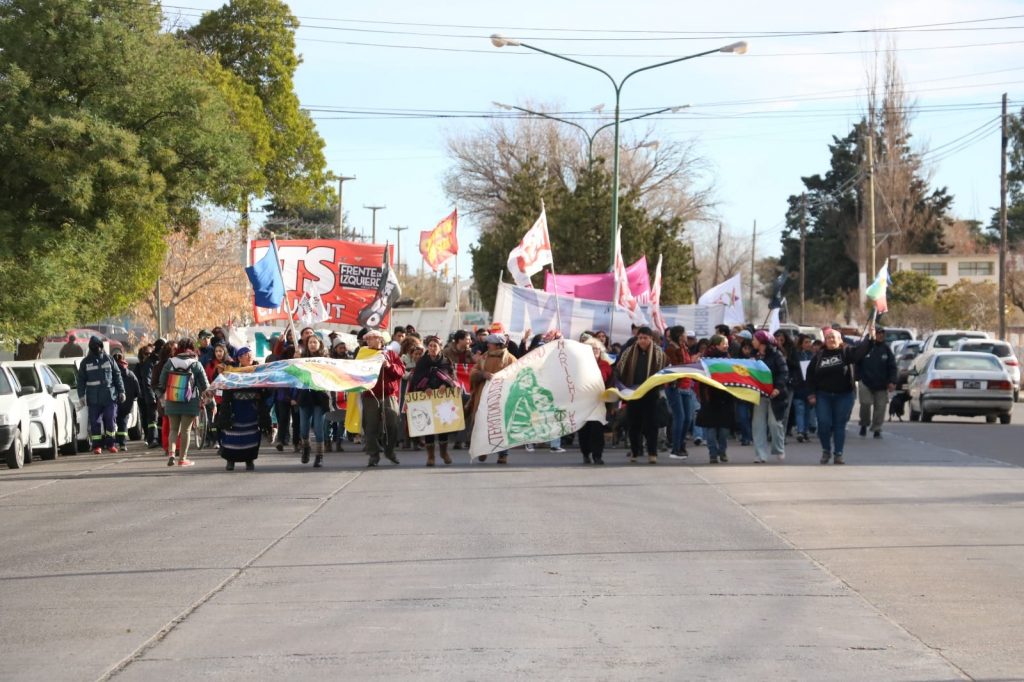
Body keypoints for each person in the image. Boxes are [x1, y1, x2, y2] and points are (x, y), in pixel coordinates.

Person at [807, 328, 872, 465]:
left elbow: (861, 352)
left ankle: (838, 454)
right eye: (829, 337)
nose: (831, 339)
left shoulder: (846, 353)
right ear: (825, 341)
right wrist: (811, 394)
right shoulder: (819, 356)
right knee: (824, 424)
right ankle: (826, 450)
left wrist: (869, 338)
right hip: (823, 395)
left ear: (840, 340)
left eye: (834, 337)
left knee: (839, 425)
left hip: (844, 395)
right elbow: (810, 376)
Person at [614, 326, 667, 464]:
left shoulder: (659, 353)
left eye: (645, 338)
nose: (642, 341)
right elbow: (619, 368)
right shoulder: (628, 352)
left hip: (651, 393)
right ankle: (635, 452)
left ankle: (652, 453)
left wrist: (659, 388)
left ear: (651, 339)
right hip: (633, 393)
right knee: (634, 424)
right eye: (640, 338)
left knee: (652, 424)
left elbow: (665, 371)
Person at [157, 338, 209, 467]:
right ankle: (182, 459)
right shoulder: (196, 364)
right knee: (185, 430)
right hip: (190, 401)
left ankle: (171, 454)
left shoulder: (170, 362)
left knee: (173, 429)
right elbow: (205, 386)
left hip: (172, 400)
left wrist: (161, 398)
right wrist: (210, 401)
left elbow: (161, 383)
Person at [468, 333, 516, 464]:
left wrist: (501, 379)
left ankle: (503, 454)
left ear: (498, 345)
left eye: (491, 343)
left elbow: (517, 377)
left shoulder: (510, 359)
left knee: (501, 426)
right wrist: (483, 374)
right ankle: (483, 450)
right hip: (483, 398)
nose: (488, 345)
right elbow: (473, 373)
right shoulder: (483, 358)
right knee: (482, 423)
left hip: (501, 399)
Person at [409, 335, 457, 466]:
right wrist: (426, 387)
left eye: (435, 346)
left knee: (443, 426)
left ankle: (444, 452)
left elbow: (452, 377)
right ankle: (430, 456)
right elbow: (416, 379)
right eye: (430, 346)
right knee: (428, 427)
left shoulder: (446, 361)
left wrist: (445, 385)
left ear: (440, 347)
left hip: (442, 399)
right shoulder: (422, 362)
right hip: (427, 397)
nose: (432, 348)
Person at [361, 329, 405, 467]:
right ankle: (373, 454)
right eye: (367, 339)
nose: (368, 341)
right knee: (370, 426)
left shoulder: (390, 354)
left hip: (389, 394)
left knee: (392, 423)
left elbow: (401, 371)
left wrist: (389, 365)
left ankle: (389, 451)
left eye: (371, 338)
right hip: (370, 395)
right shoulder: (363, 354)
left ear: (380, 340)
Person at [77, 336, 125, 454]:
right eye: (94, 347)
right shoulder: (85, 362)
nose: (96, 349)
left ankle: (111, 444)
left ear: (101, 347)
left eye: (98, 347)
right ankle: (97, 446)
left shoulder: (108, 359)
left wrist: (122, 391)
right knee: (95, 422)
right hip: (94, 398)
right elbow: (81, 380)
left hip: (109, 396)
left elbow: (117, 375)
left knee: (110, 419)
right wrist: (81, 396)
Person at [695, 335, 736, 464]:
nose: (727, 346)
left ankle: (722, 451)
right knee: (710, 429)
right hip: (709, 398)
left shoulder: (728, 359)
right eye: (724, 343)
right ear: (716, 345)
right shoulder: (704, 360)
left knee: (724, 430)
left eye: (727, 343)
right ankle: (713, 453)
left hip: (725, 398)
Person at [750, 330, 789, 464]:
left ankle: (778, 448)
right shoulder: (754, 356)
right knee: (758, 424)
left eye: (754, 339)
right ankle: (760, 454)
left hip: (775, 395)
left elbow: (784, 373)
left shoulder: (777, 355)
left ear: (762, 341)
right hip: (759, 395)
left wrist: (777, 388)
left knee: (774, 423)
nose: (752, 342)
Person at [856, 326, 897, 439]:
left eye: (882, 334)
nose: (880, 335)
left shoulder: (886, 350)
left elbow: (892, 367)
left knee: (880, 407)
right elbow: (856, 362)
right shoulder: (865, 348)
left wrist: (892, 381)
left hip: (881, 384)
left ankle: (877, 428)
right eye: (878, 333)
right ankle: (864, 424)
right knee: (865, 403)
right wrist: (857, 377)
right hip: (865, 381)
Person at [296, 335, 331, 467]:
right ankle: (306, 448)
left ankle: (319, 456)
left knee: (318, 428)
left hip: (320, 397)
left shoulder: (325, 359)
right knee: (303, 429)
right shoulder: (302, 358)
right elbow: (296, 376)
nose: (312, 344)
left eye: (314, 342)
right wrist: (296, 361)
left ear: (319, 344)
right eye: (310, 342)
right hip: (305, 397)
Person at [578, 338, 612, 465]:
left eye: (596, 348)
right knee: (584, 429)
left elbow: (608, 379)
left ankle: (597, 455)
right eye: (591, 349)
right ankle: (586, 453)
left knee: (597, 429)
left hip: (599, 401)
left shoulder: (605, 365)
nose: (595, 351)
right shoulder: (580, 364)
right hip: (583, 401)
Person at [664, 325, 694, 460]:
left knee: (688, 418)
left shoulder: (684, 347)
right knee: (680, 417)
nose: (686, 335)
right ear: (680, 335)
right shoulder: (671, 349)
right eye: (684, 333)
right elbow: (676, 367)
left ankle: (681, 445)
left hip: (686, 386)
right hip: (674, 386)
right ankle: (675, 448)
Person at [111, 349, 140, 451]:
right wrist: (133, 398)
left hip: (113, 403)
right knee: (123, 424)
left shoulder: (110, 373)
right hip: (127, 404)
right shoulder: (130, 374)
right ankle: (122, 444)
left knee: (111, 423)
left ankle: (112, 443)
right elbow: (137, 390)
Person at [136, 344, 160, 448]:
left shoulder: (153, 364)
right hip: (143, 395)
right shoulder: (139, 366)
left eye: (150, 353)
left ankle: (153, 438)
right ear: (141, 355)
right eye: (146, 354)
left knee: (153, 417)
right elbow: (139, 382)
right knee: (146, 417)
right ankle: (148, 436)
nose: (148, 355)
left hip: (151, 395)